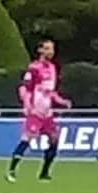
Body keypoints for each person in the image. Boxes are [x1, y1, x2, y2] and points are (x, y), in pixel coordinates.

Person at [7, 38, 71, 182]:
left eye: (52, 49)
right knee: (27, 138)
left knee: (54, 139)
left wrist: (61, 100)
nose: (51, 52)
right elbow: (24, 88)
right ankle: (11, 170)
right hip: (35, 111)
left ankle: (44, 172)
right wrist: (27, 105)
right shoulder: (34, 68)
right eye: (47, 48)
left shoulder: (53, 68)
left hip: (47, 112)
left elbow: (50, 91)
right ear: (40, 50)